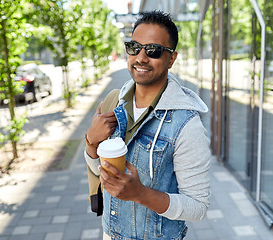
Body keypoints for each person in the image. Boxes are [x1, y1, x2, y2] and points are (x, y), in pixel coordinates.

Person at [84, 10, 211, 240]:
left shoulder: (187, 125)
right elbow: (101, 173)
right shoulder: (114, 103)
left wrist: (140, 194)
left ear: (171, 58)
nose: (141, 58)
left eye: (153, 50)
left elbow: (198, 207)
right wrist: (91, 143)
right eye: (134, 47)